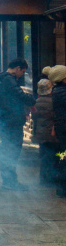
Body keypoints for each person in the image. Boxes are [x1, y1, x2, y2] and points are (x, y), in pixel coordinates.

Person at [0, 57, 36, 190]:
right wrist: (32, 100)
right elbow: (19, 95)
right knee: (11, 151)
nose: (22, 74)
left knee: (8, 151)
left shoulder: (0, 78)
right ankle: (9, 182)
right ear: (18, 68)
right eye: (22, 71)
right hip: (10, 121)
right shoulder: (8, 80)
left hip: (4, 120)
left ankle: (9, 180)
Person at [32, 74, 57, 185]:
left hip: (40, 133)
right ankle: (51, 178)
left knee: (43, 156)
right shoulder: (53, 102)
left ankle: (43, 179)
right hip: (51, 133)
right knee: (53, 156)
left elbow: (34, 117)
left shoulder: (36, 102)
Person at [47, 65, 66, 196]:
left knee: (62, 155)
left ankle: (60, 185)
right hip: (64, 127)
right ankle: (62, 186)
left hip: (60, 127)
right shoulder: (63, 92)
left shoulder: (56, 90)